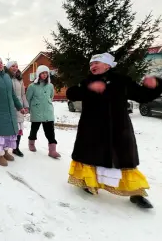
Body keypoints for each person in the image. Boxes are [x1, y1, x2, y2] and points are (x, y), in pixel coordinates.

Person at [66, 52, 162, 209]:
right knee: (90, 159)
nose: (93, 66)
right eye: (91, 64)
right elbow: (71, 93)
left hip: (118, 129)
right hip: (92, 130)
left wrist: (155, 85)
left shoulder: (121, 81)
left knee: (124, 161)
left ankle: (136, 193)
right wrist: (89, 88)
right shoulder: (88, 81)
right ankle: (89, 184)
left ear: (107, 65)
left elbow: (143, 96)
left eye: (96, 63)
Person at [26, 65, 60, 158]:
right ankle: (31, 144)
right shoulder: (32, 86)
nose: (45, 75)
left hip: (48, 112)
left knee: (50, 132)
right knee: (34, 130)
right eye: (43, 73)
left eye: (46, 73)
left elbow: (51, 97)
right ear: (38, 74)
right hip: (36, 111)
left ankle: (52, 151)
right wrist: (28, 108)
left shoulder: (50, 86)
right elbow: (28, 99)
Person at [6, 61, 29, 157]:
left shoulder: (20, 79)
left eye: (16, 66)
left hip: (19, 106)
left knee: (19, 127)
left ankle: (16, 148)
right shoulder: (6, 78)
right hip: (9, 106)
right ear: (8, 68)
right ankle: (5, 149)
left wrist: (26, 105)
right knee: (9, 128)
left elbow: (23, 94)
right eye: (12, 66)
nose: (15, 68)